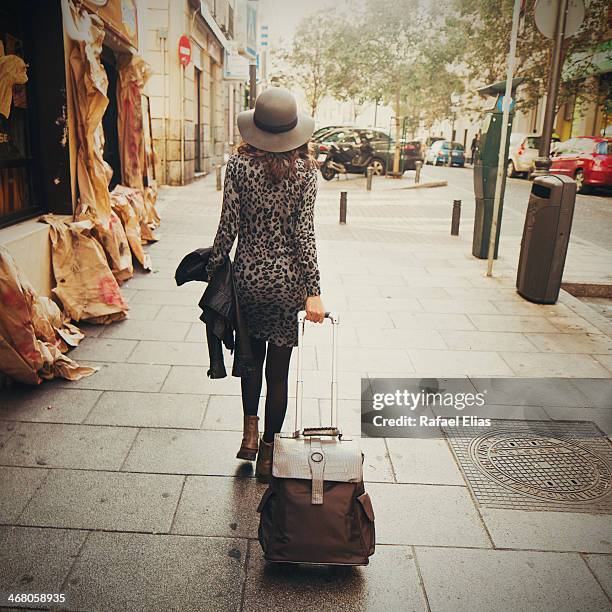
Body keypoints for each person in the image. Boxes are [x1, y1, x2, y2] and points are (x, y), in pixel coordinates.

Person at [205, 87, 325, 482]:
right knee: (279, 371)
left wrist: (213, 268)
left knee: (250, 361)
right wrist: (314, 290)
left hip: (248, 280)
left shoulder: (238, 167)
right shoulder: (307, 173)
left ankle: (250, 434)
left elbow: (228, 228)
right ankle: (271, 451)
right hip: (287, 283)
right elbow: (304, 233)